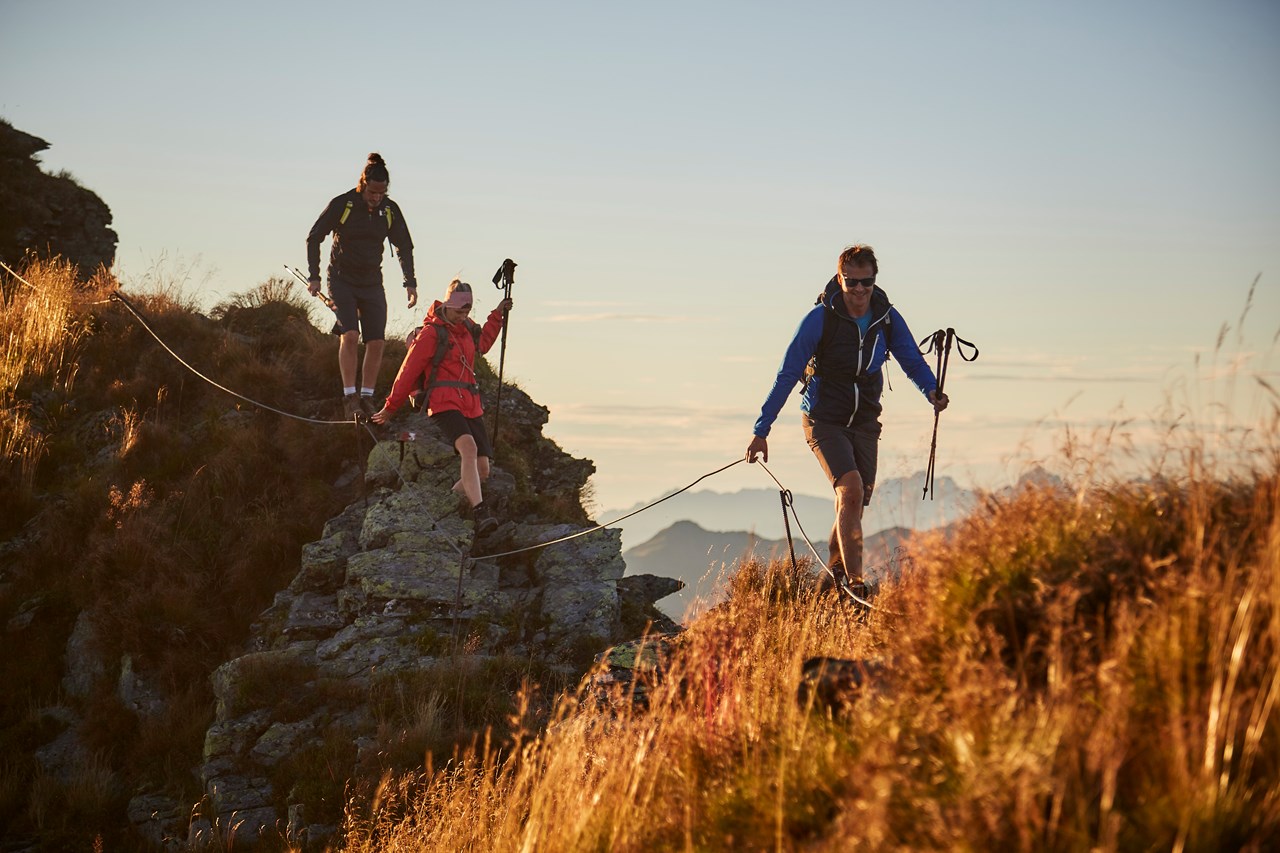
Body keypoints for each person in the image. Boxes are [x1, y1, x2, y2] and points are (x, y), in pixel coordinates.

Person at [746, 244, 948, 598]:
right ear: (839, 279)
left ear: (874, 280)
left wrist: (932, 391)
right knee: (850, 489)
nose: (858, 291)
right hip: (823, 418)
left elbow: (911, 361)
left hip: (866, 420)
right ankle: (855, 586)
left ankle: (833, 578)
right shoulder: (819, 319)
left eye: (865, 282)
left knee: (855, 499)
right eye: (851, 282)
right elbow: (788, 373)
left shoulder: (887, 318)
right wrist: (761, 431)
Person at [372, 280, 512, 535]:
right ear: (448, 305)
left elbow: (483, 345)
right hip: (443, 401)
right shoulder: (430, 334)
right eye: (459, 311)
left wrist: (498, 314)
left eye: (467, 312)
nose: (463, 316)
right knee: (467, 447)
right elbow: (408, 371)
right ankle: (480, 512)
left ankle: (446, 502)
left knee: (482, 470)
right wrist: (390, 407)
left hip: (470, 402)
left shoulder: (467, 329)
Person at [306, 152, 419, 420]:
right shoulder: (344, 204)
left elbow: (404, 245)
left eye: (381, 193)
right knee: (351, 335)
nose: (376, 197)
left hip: (371, 282)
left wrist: (410, 282)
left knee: (377, 341)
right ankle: (349, 397)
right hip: (341, 279)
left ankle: (367, 397)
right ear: (362, 184)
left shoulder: (389, 211)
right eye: (372, 192)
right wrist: (314, 276)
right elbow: (314, 237)